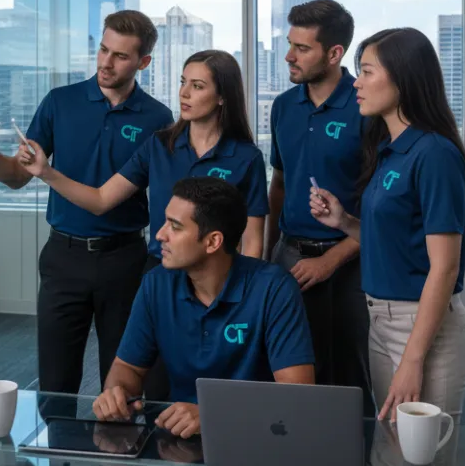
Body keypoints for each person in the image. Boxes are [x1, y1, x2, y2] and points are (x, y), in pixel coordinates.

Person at [0, 11, 173, 396]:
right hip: (64, 257)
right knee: (55, 385)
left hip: (126, 262)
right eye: (103, 49)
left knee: (122, 388)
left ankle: (116, 456)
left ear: (143, 63)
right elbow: (18, 176)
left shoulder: (158, 118)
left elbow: (165, 200)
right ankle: (56, 458)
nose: (106, 62)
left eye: (120, 56)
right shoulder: (60, 103)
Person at [20, 52, 268, 401]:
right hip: (162, 278)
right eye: (183, 82)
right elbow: (102, 199)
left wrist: (245, 301)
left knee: (214, 385)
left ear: (222, 96)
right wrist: (47, 173)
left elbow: (253, 243)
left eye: (197, 86)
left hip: (220, 285)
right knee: (152, 388)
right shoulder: (160, 145)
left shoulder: (246, 159)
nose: (184, 93)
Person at [310, 27, 465, 422]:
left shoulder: (433, 153)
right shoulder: (389, 149)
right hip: (381, 319)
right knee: (393, 452)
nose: (357, 84)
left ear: (403, 78)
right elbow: (394, 241)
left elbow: (445, 266)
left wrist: (413, 359)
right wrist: (344, 221)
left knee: (424, 460)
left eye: (367, 72)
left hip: (422, 326)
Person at [92, 177, 315, 439]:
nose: (160, 235)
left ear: (212, 242)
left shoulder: (275, 288)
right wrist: (116, 393)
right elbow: (127, 368)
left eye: (174, 227)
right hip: (179, 440)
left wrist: (213, 413)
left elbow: (298, 395)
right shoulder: (156, 284)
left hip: (259, 436)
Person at [266, 0, 374, 416]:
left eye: (302, 48)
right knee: (289, 371)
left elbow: (379, 207)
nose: (290, 56)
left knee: (351, 378)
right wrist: (266, 252)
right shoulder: (282, 107)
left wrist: (331, 260)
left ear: (334, 53)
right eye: (289, 44)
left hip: (351, 261)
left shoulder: (365, 106)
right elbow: (279, 183)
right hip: (289, 256)